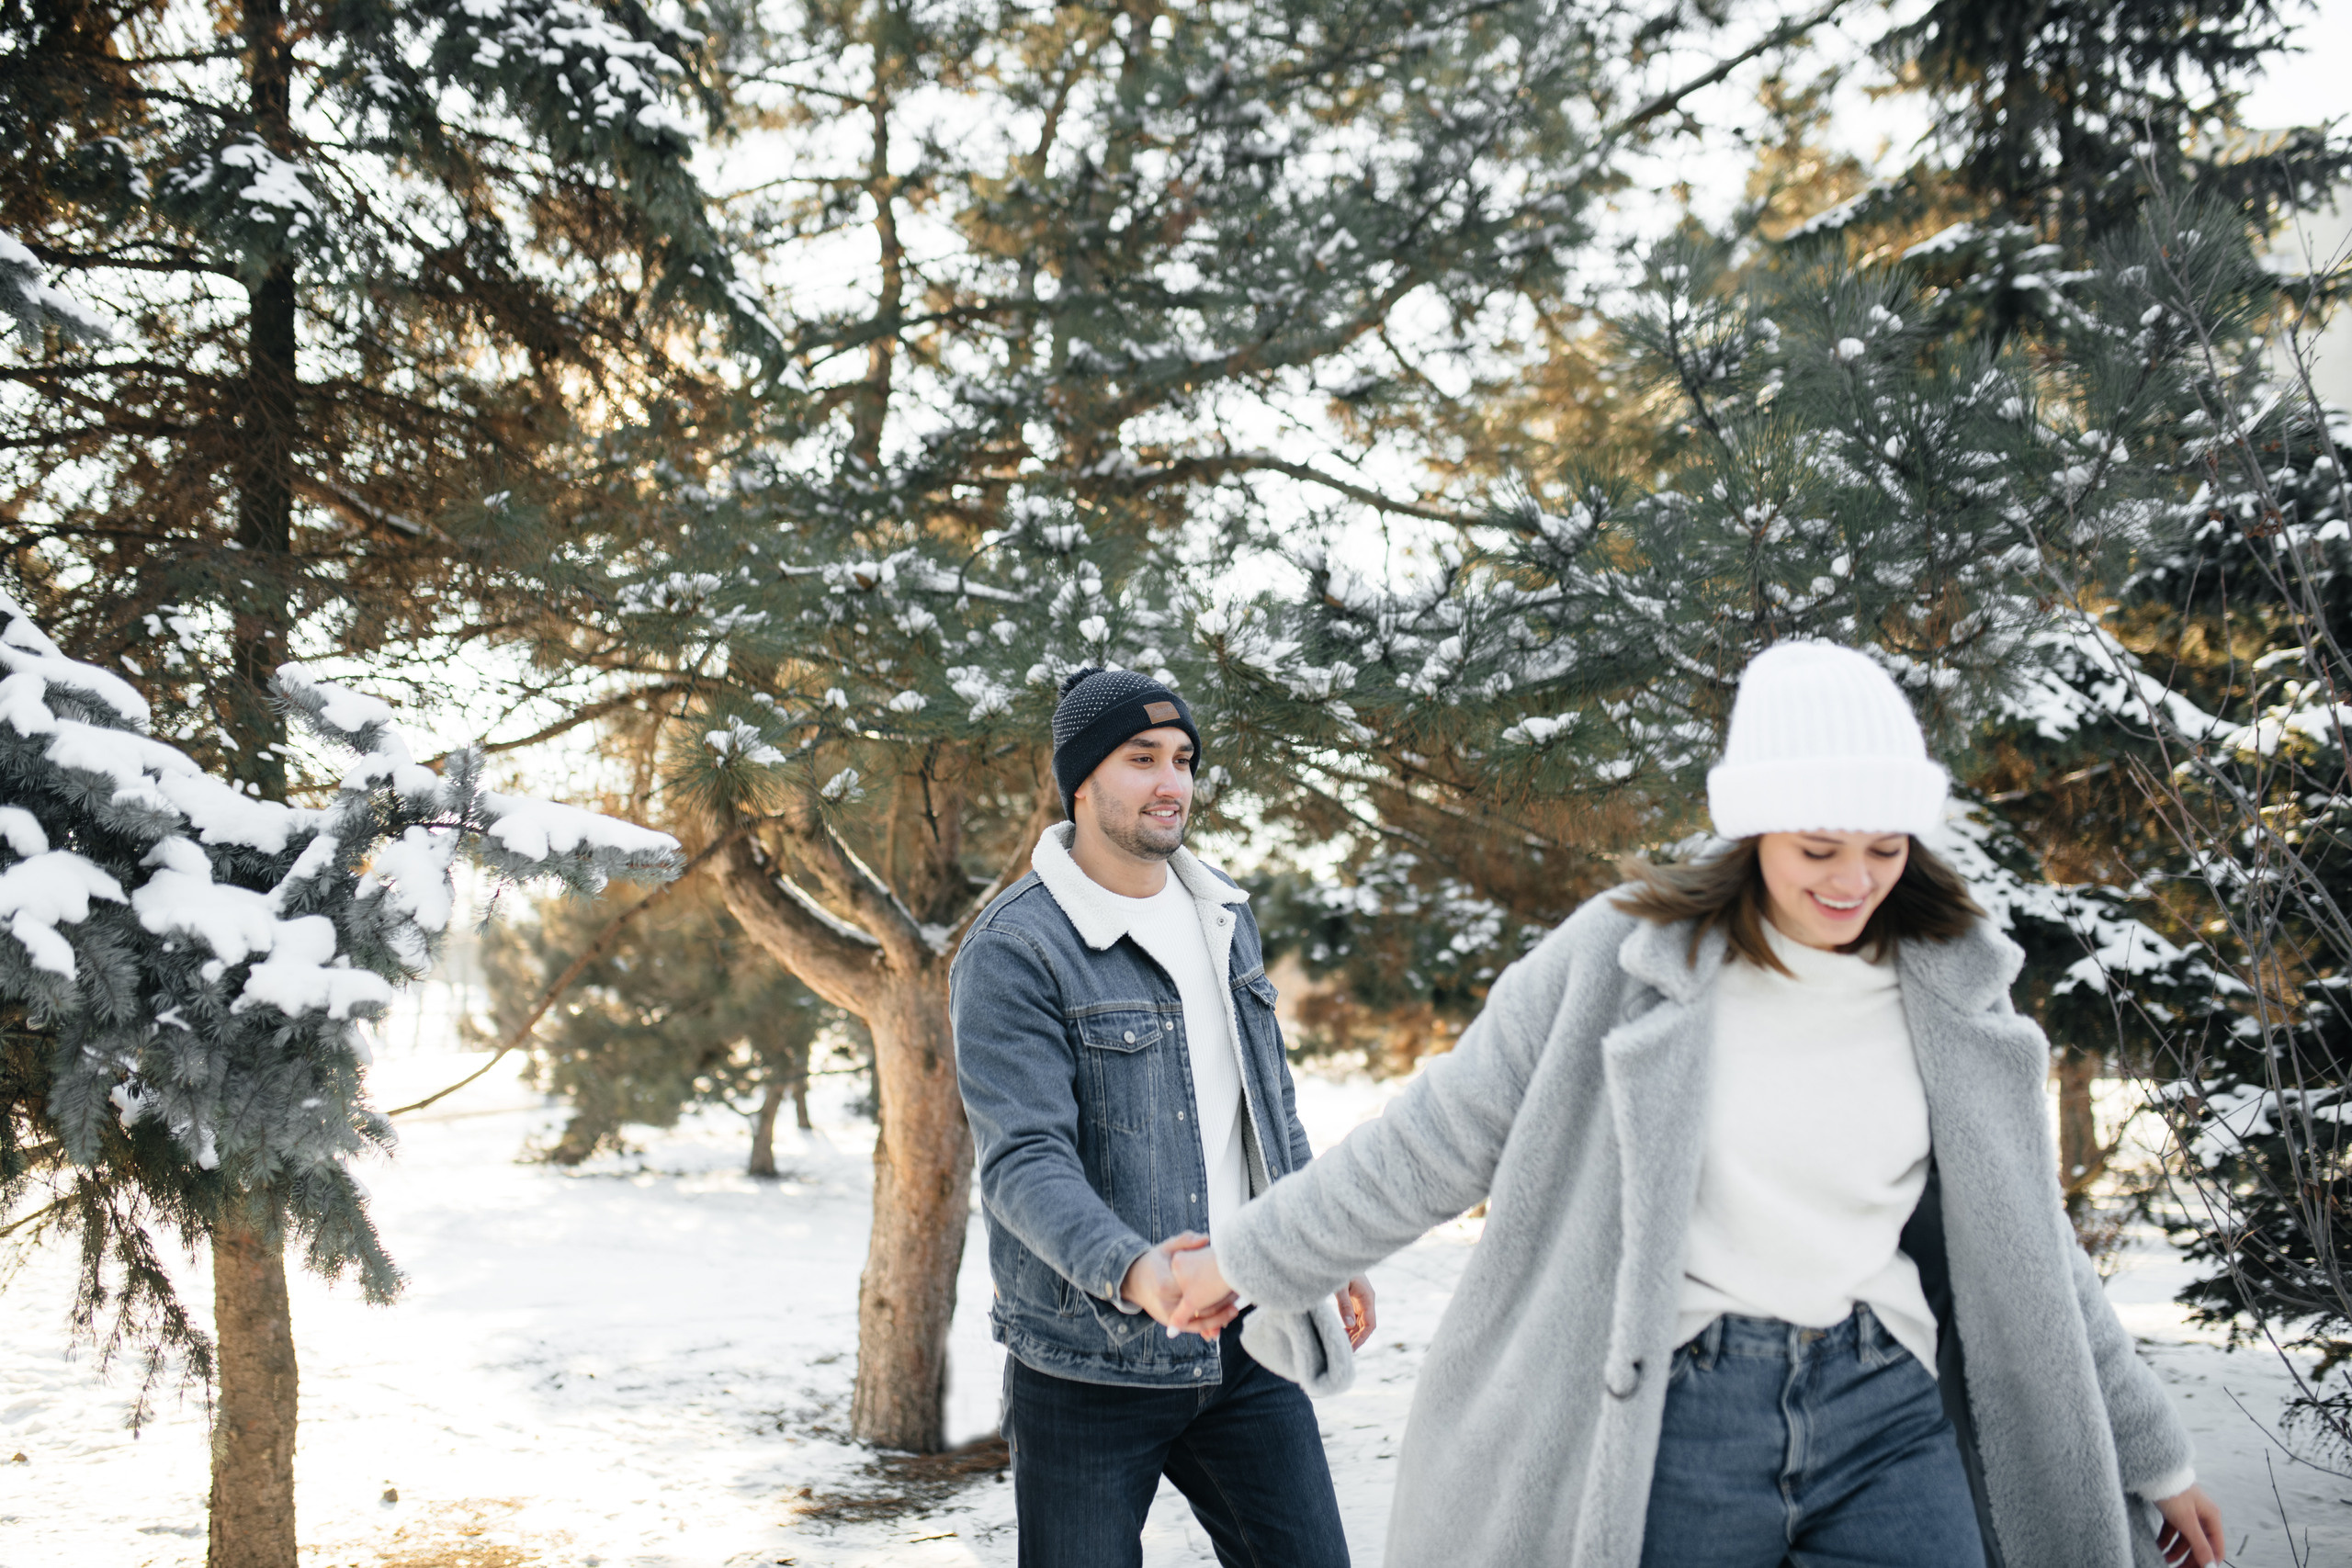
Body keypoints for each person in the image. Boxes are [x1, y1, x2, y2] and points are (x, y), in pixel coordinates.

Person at [1163, 640, 2225, 1568]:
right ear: (1752, 829)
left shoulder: (1951, 986)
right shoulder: (1622, 960)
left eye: (1885, 847)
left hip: (1884, 1404)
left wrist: (2153, 1454)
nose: (1854, 880)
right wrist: (1244, 1258)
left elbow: (2030, 1247)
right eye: (1818, 848)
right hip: (1676, 1410)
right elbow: (1433, 1140)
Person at [952, 665, 1376, 1568]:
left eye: (1182, 759)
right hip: (1087, 1364)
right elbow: (1023, 1162)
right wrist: (1136, 1272)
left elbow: (1268, 1112)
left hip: (1248, 1340)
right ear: (1080, 781)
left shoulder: (1223, 913)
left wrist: (1318, 1247)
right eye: (1141, 758)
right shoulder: (1016, 949)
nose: (1171, 782)